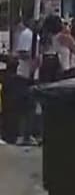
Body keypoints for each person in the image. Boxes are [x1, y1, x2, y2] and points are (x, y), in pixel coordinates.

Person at [9, 17, 36, 145]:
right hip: (25, 75)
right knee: (25, 106)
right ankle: (22, 134)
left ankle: (26, 134)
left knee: (29, 106)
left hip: (30, 75)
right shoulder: (27, 35)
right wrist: (33, 58)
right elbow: (22, 53)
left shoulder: (32, 35)